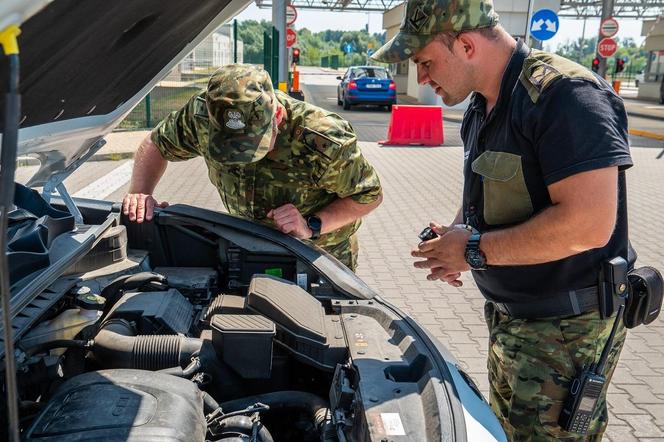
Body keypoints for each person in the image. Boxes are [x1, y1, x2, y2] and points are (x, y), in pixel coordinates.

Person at [372, 0, 633, 440]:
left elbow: (589, 225)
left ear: (467, 45)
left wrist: (473, 250)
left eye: (425, 62)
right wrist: (456, 237)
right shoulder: (483, 105)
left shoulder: (564, 97)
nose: (422, 78)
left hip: (565, 334)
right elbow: (485, 191)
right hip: (514, 322)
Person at [122, 64, 382, 271]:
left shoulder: (321, 138)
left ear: (277, 117)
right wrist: (140, 193)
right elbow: (156, 143)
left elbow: (369, 195)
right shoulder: (202, 115)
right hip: (248, 243)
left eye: (252, 145)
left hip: (318, 256)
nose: (241, 158)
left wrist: (312, 225)